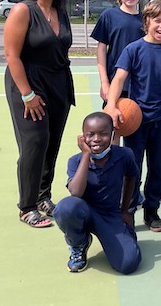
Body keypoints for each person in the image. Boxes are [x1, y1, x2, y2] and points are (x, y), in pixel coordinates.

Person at [105, 0, 161, 233]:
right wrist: (112, 106)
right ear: (147, 22)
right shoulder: (133, 49)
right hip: (136, 120)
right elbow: (119, 79)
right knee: (133, 165)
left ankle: (151, 211)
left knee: (157, 166)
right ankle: (127, 210)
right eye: (158, 20)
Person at [4, 0, 75, 228]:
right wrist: (27, 94)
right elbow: (12, 55)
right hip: (28, 83)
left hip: (57, 84)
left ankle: (44, 196)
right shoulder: (23, 10)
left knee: (51, 142)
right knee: (35, 142)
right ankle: (27, 206)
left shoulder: (61, 13)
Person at [53, 112, 141, 274]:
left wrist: (126, 210)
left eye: (103, 134)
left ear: (113, 135)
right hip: (84, 211)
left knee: (129, 263)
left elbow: (131, 178)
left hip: (110, 215)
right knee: (66, 207)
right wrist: (86, 154)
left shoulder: (124, 155)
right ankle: (79, 243)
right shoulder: (75, 161)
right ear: (82, 137)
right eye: (90, 134)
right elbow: (76, 192)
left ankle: (121, 236)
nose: (96, 139)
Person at [91, 0, 146, 109]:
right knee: (114, 125)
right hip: (116, 81)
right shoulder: (109, 16)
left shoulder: (147, 19)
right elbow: (102, 50)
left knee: (136, 125)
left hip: (141, 84)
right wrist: (104, 82)